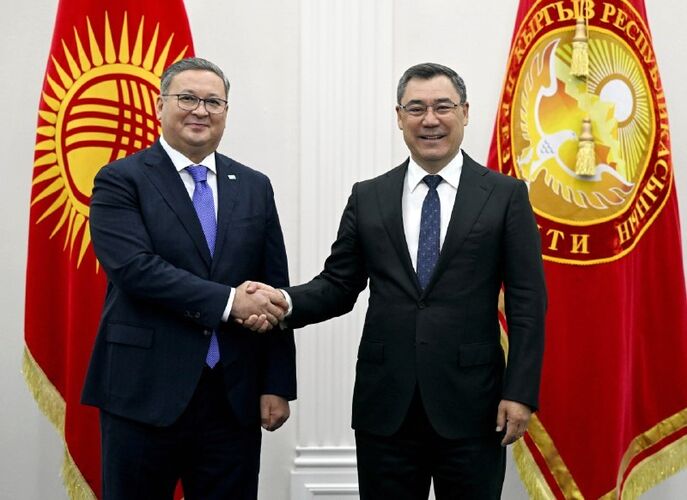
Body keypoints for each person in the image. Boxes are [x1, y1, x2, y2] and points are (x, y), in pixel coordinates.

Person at [247, 62, 547, 499]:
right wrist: (282, 302)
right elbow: (338, 285)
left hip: (473, 406)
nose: (430, 119)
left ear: (465, 112)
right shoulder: (369, 196)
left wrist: (520, 393)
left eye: (443, 106)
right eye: (416, 108)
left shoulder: (505, 196)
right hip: (386, 406)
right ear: (399, 117)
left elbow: (527, 304)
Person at [81, 57, 295, 500]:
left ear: (226, 112)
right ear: (160, 105)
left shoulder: (254, 185)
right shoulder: (121, 179)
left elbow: (272, 285)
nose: (201, 110)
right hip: (143, 391)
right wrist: (230, 302)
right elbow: (135, 269)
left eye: (214, 102)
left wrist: (276, 384)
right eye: (188, 98)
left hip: (232, 396)